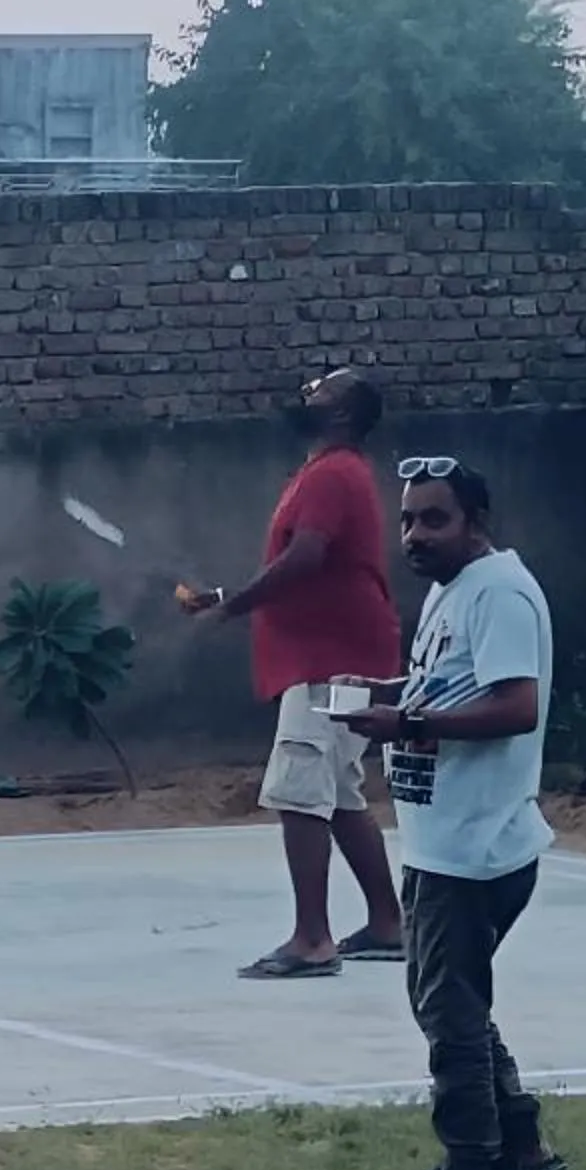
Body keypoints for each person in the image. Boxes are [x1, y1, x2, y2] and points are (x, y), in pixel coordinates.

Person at [334, 459, 564, 1170]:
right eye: (407, 519)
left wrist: (407, 723)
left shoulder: (499, 593)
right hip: (445, 839)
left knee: (447, 1009)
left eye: (435, 519)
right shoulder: (453, 589)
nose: (415, 535)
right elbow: (450, 685)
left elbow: (518, 706)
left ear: (476, 522)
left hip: (473, 848)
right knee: (457, 1000)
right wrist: (389, 694)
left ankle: (470, 1169)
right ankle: (521, 1146)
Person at [181, 368, 408, 979]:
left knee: (301, 788)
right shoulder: (330, 471)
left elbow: (306, 557)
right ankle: (388, 924)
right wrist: (226, 595)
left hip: (328, 658)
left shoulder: (332, 473)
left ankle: (312, 940)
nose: (307, 392)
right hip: (345, 651)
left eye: (321, 388)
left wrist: (235, 606)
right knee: (338, 792)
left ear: (344, 413)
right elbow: (306, 561)